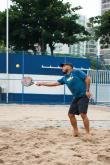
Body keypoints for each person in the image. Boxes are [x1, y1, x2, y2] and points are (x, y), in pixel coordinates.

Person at [36, 63, 91, 138]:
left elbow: (88, 78)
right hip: (76, 97)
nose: (62, 68)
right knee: (70, 115)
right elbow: (54, 83)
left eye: (63, 66)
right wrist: (42, 83)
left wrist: (87, 90)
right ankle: (76, 130)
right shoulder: (65, 78)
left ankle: (88, 133)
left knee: (83, 114)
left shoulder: (76, 72)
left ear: (69, 67)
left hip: (83, 95)